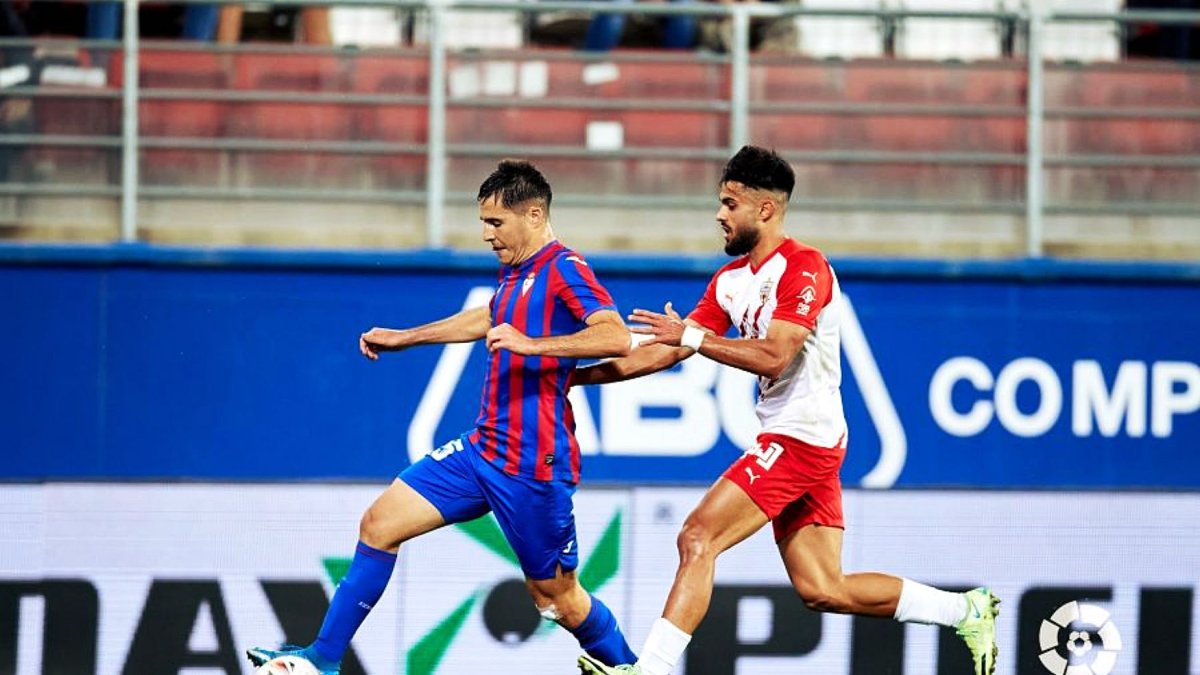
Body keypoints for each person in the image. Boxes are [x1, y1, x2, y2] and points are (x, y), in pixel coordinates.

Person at [573, 145, 1000, 675]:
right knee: (823, 588)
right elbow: (669, 350)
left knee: (698, 536)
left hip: (803, 436)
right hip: (799, 437)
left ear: (766, 209)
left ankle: (652, 670)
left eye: (730, 204)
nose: (719, 214)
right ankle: (965, 610)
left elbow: (775, 354)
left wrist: (693, 337)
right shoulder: (730, 281)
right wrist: (575, 377)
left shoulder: (804, 268)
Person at [246, 159, 638, 675]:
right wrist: (407, 337)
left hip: (531, 464)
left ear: (535, 215)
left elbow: (615, 336)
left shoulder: (566, 267)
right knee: (380, 523)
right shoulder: (517, 271)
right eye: (484, 222)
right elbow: (490, 315)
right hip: (483, 449)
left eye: (496, 222)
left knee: (557, 599)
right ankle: (322, 659)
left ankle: (630, 667)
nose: (486, 234)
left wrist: (532, 345)